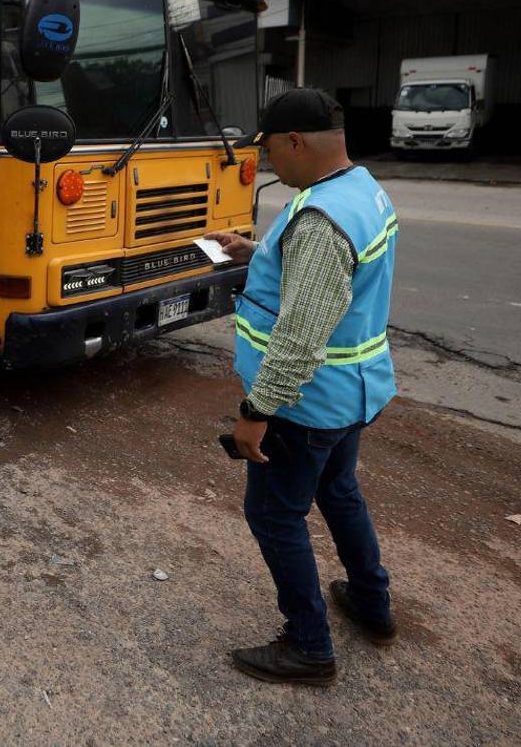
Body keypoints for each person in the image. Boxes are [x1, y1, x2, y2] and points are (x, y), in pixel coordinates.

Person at [207, 88, 398, 687]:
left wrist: (255, 411)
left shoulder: (318, 217)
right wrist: (261, 251)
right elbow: (335, 279)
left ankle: (309, 646)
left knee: (273, 515)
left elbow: (298, 337)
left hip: (306, 403)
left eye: (268, 151)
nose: (268, 165)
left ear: (294, 141)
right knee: (339, 492)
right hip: (355, 392)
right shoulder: (361, 190)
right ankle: (372, 604)